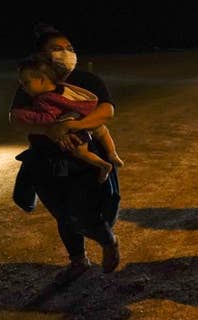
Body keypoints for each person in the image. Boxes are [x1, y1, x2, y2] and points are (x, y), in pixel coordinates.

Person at [9, 25, 121, 286]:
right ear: (41, 56)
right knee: (62, 213)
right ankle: (78, 260)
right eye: (56, 49)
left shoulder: (86, 81)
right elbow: (16, 119)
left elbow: (106, 111)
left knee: (87, 211)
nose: (65, 53)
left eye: (68, 48)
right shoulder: (30, 83)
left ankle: (107, 241)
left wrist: (72, 126)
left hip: (83, 159)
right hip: (46, 161)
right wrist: (48, 130)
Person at [13, 56, 124, 183]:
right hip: (86, 118)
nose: (23, 88)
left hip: (73, 130)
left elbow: (48, 118)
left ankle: (103, 165)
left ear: (42, 80)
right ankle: (112, 153)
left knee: (80, 152)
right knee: (103, 131)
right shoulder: (64, 89)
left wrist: (29, 115)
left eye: (26, 83)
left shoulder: (43, 100)